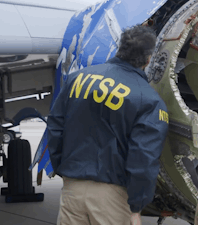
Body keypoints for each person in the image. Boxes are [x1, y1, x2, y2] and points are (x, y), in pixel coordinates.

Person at [47, 25, 169, 225]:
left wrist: (64, 170)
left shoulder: (77, 79)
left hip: (72, 187)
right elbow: (143, 158)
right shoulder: (149, 100)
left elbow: (55, 128)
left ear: (119, 49)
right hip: (112, 196)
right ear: (149, 59)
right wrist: (137, 206)